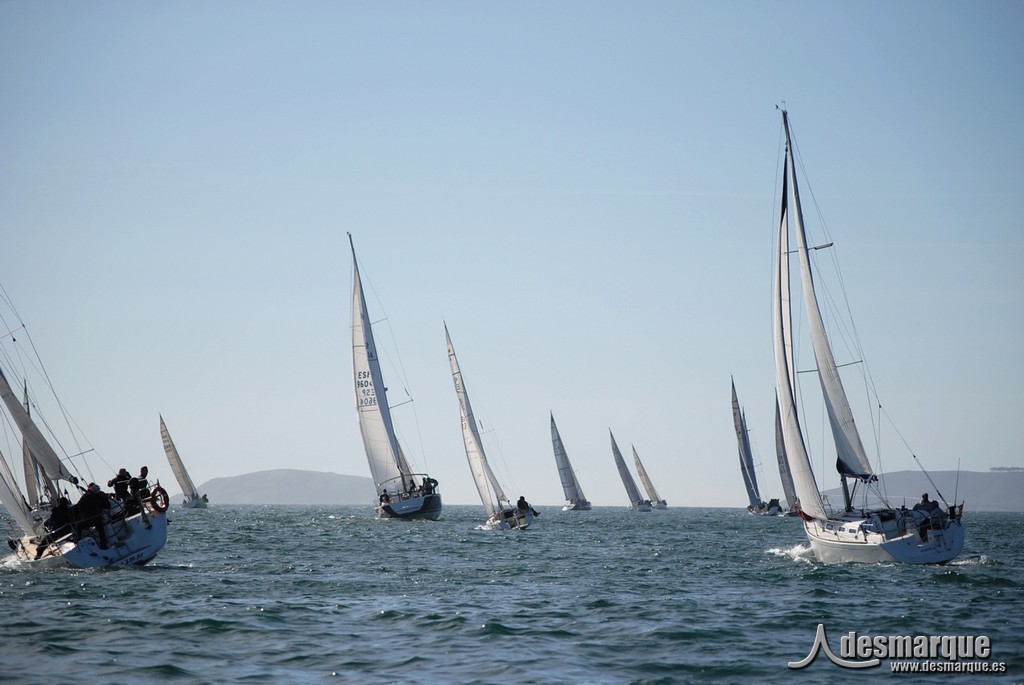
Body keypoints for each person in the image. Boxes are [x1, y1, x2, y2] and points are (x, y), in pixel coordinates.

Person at [73, 483, 110, 549]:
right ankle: (103, 545)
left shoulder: (85, 496)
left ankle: (77, 541)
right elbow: (108, 505)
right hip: (98, 518)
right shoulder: (100, 496)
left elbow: (79, 507)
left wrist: (84, 514)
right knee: (101, 530)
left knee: (79, 525)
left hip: (88, 519)